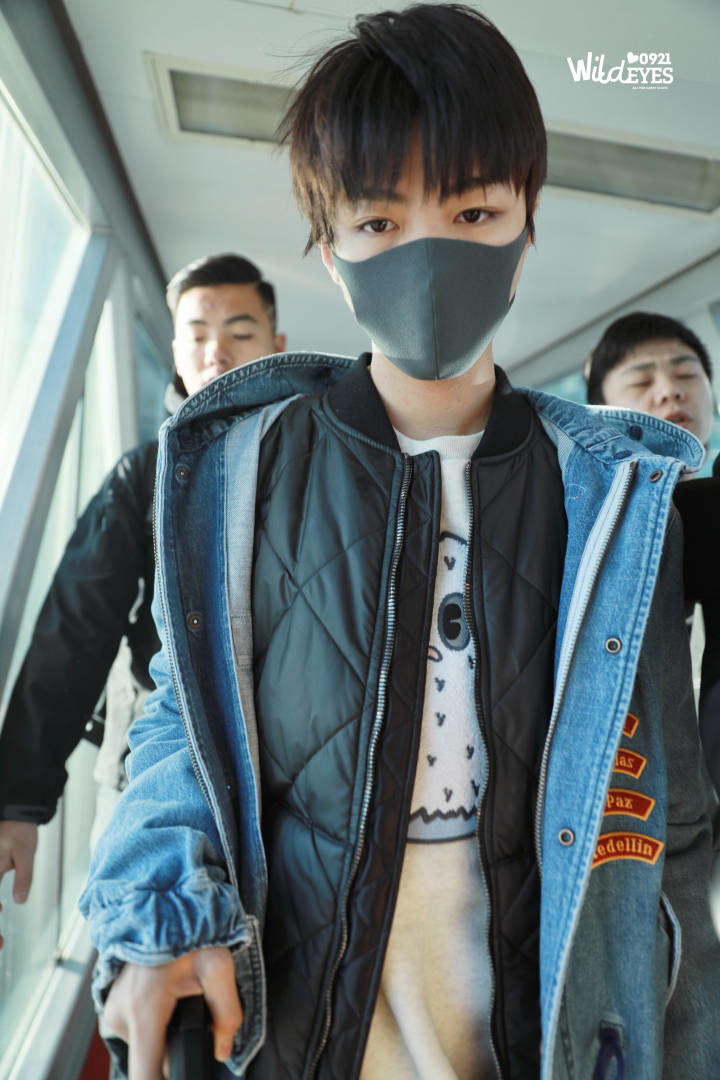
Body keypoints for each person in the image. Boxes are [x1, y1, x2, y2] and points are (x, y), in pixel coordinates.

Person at [80, 7, 720, 1080]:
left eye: (473, 211)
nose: (429, 257)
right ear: (329, 250)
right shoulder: (249, 472)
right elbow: (189, 723)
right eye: (379, 221)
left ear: (527, 225)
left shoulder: (616, 497)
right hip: (305, 1042)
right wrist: (154, 913)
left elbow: (674, 826)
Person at [0, 253, 285, 922]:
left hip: (282, 770)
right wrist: (19, 801)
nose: (217, 351)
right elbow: (75, 627)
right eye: (197, 333)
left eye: (240, 331)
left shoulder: (315, 463)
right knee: (142, 936)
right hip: (153, 767)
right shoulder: (144, 478)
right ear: (176, 349)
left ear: (276, 345)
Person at [584, 311, 720, 794]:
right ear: (600, 409)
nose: (670, 391)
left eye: (687, 374)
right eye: (642, 381)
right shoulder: (583, 526)